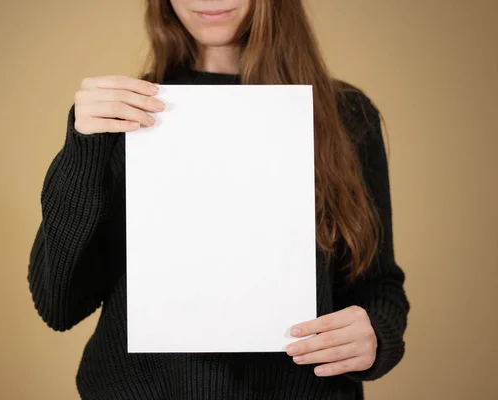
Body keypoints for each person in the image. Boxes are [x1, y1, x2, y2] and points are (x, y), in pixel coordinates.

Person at [27, 1, 410, 399]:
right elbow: (59, 306)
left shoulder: (346, 115)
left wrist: (375, 335)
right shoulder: (123, 115)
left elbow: (376, 284)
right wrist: (83, 148)